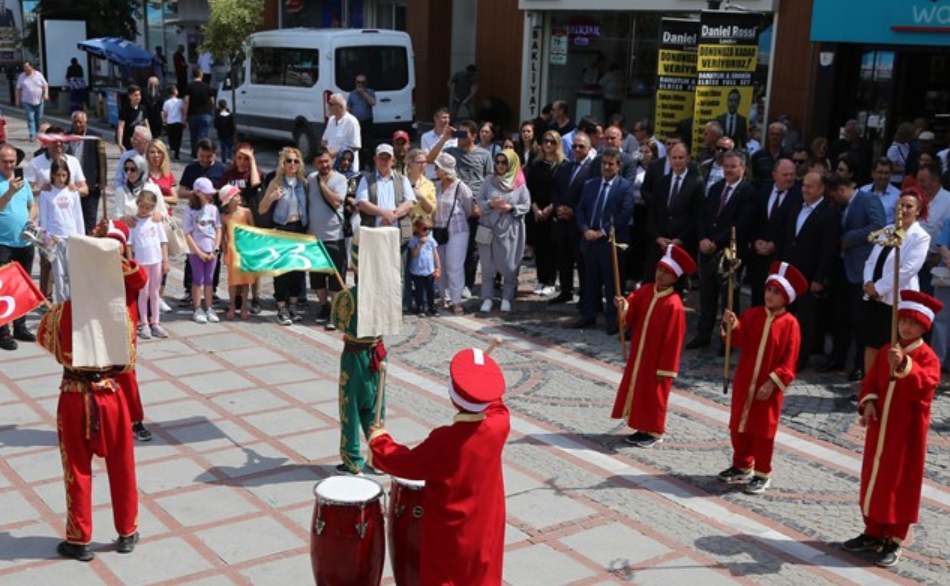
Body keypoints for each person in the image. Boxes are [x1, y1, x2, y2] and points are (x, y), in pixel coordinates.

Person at [37, 220, 147, 562]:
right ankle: (126, 531)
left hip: (73, 395)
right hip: (111, 394)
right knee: (122, 465)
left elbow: (45, 338)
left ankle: (80, 538)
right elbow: (127, 362)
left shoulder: (65, 312)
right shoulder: (120, 314)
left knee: (78, 469)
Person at [368, 347, 509, 586]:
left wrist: (379, 440)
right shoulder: (500, 423)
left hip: (452, 531)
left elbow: (406, 463)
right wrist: (480, 375)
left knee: (446, 576)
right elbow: (494, 402)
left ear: (454, 398)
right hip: (486, 522)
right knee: (482, 574)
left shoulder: (446, 441)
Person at [844, 290, 942, 568]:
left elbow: (923, 389)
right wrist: (869, 403)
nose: (907, 327)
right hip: (880, 429)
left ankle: (895, 538)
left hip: (906, 433)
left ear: (924, 327)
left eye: (914, 323)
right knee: (875, 477)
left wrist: (905, 366)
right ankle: (873, 531)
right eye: (903, 321)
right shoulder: (887, 350)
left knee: (900, 482)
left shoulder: (928, 358)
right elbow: (871, 382)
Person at [719, 261, 806, 495]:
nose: (770, 295)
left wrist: (773, 382)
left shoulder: (790, 325)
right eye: (769, 289)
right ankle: (741, 465)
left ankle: (762, 472)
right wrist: (733, 325)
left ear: (786, 297)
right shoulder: (752, 314)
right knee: (739, 425)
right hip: (745, 382)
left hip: (768, 388)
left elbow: (789, 363)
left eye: (776, 292)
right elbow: (736, 340)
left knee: (763, 431)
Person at [611, 244, 696, 448]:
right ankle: (642, 427)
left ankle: (655, 430)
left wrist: (666, 368)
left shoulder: (673, 304)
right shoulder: (647, 290)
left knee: (655, 395)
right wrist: (624, 306)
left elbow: (673, 340)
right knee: (641, 392)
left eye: (666, 272)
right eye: (660, 269)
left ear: (675, 278)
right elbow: (633, 305)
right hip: (642, 354)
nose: (661, 275)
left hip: (658, 360)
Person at [688, 150, 758, 350]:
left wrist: (715, 243)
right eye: (726, 166)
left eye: (733, 166)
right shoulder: (717, 188)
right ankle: (703, 334)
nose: (728, 170)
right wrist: (702, 239)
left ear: (743, 169)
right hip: (707, 251)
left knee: (729, 299)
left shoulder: (748, 192)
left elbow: (741, 224)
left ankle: (728, 339)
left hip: (730, 253)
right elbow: (702, 215)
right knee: (707, 295)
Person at [776, 171, 842, 370]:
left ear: (821, 189)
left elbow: (828, 249)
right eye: (803, 185)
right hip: (789, 273)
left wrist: (819, 278)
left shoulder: (830, 213)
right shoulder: (795, 206)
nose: (804, 189)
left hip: (810, 275)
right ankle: (781, 352)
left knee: (806, 320)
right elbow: (787, 238)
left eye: (809, 186)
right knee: (785, 315)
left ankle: (800, 358)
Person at [823, 175, 885, 380]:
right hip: (843, 268)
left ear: (841, 190)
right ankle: (838, 358)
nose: (832, 201)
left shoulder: (868, 200)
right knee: (840, 316)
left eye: (833, 196)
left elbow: (878, 227)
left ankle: (860, 364)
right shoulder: (841, 208)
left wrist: (849, 239)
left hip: (861, 269)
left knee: (860, 321)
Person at [862, 189, 930, 374]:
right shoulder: (887, 230)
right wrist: (868, 283)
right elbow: (871, 260)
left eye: (909, 206)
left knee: (889, 344)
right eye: (901, 205)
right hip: (873, 296)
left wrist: (878, 288)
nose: (904, 210)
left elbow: (907, 270)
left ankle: (886, 387)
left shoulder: (921, 236)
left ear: (918, 210)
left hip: (896, 299)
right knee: (871, 342)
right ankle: (869, 386)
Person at [571, 148, 635, 333]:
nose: (606, 167)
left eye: (610, 164)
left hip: (611, 242)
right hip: (590, 241)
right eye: (604, 163)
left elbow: (625, 213)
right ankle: (588, 314)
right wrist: (585, 230)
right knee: (589, 280)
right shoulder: (590, 184)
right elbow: (580, 210)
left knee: (612, 282)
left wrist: (603, 231)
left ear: (619, 166)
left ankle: (612, 319)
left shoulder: (624, 186)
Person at [330, 279, 387, 475]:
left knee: (351, 406)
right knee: (375, 407)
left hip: (355, 356)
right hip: (377, 355)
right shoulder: (387, 292)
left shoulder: (348, 296)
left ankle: (352, 460)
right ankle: (378, 457)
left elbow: (338, 322)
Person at [477, 149, 530, 314]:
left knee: (509, 264)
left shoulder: (519, 184)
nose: (500, 165)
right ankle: (487, 298)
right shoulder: (488, 180)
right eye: (498, 162)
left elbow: (526, 205)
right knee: (487, 265)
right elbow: (479, 200)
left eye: (504, 162)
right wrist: (491, 204)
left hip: (509, 231)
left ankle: (506, 297)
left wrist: (511, 207)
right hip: (488, 229)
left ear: (512, 164)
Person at [260, 148, 308, 325]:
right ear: (283, 163)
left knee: (297, 270)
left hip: (299, 228)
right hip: (282, 227)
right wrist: (272, 197)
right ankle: (281, 308)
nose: (292, 164)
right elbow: (262, 208)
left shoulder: (303, 182)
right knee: (281, 271)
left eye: (296, 161)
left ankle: (293, 306)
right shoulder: (276, 182)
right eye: (289, 161)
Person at [0, 144, 36, 351]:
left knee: (23, 286)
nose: (9, 165)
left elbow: (33, 205)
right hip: (3, 243)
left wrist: (31, 219)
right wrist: (10, 193)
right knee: (4, 288)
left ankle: (20, 326)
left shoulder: (23, 181)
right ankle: (3, 331)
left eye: (12, 161)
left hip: (24, 242)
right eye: (5, 161)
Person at [307, 147, 348, 328]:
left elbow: (336, 201)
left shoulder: (340, 179)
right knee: (317, 277)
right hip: (314, 237)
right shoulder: (309, 179)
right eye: (320, 162)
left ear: (331, 161)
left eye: (327, 161)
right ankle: (324, 306)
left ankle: (336, 311)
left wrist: (322, 184)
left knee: (336, 278)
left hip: (334, 235)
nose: (324, 165)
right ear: (315, 163)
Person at [36, 159, 84, 302]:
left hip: (71, 237)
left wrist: (81, 238)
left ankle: (74, 304)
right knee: (59, 275)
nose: (61, 179)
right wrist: (45, 242)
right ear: (52, 175)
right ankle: (62, 306)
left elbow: (78, 216)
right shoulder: (46, 193)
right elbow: (43, 219)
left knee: (73, 274)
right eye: (58, 175)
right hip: (55, 239)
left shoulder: (72, 192)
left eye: (64, 175)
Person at [526, 130, 566, 297]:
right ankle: (541, 280)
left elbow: (562, 190)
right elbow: (530, 188)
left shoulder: (562, 165)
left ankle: (550, 281)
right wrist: (535, 207)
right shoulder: (535, 164)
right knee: (540, 247)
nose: (548, 144)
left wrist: (550, 208)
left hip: (553, 211)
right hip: (537, 209)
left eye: (552, 141)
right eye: (545, 141)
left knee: (552, 247)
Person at [432, 153, 474, 315]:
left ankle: (456, 301)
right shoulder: (436, 186)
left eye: (437, 167)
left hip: (457, 231)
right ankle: (444, 298)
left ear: (444, 169)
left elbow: (468, 207)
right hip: (439, 231)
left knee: (454, 266)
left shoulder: (460, 186)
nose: (435, 170)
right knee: (440, 265)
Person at [129, 188, 169, 339]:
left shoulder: (155, 221)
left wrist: (165, 260)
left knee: (155, 292)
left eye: (148, 207)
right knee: (143, 293)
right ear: (137, 204)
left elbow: (163, 241)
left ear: (153, 207)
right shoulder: (134, 222)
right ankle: (144, 323)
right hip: (141, 263)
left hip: (156, 261)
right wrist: (131, 262)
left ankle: (156, 323)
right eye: (142, 207)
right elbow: (129, 243)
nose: (145, 210)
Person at [183, 177, 222, 324]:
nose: (209, 195)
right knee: (197, 279)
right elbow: (187, 233)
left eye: (210, 193)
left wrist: (215, 249)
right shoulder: (189, 211)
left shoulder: (213, 209)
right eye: (206, 193)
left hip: (211, 250)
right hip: (196, 251)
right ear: (198, 192)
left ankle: (209, 307)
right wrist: (198, 252)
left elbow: (218, 229)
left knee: (209, 280)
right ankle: (198, 307)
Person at [67, 111, 108, 234]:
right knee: (73, 218)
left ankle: (88, 242)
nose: (78, 125)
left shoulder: (94, 137)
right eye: (75, 122)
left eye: (80, 122)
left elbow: (102, 162)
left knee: (89, 219)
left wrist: (102, 182)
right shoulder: (66, 137)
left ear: (85, 122)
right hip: (71, 186)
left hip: (90, 186)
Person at [219, 185, 255, 320]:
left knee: (246, 282)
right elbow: (223, 236)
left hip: (245, 250)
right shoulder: (224, 216)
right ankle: (233, 306)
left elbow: (253, 230)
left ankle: (244, 307)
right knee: (233, 282)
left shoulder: (246, 212)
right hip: (232, 251)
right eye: (236, 195)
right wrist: (224, 252)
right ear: (229, 199)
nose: (239, 197)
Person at [408, 216, 441, 315]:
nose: (427, 232)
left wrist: (438, 267)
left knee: (430, 290)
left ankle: (431, 306)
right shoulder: (414, 240)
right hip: (418, 271)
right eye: (424, 229)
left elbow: (435, 254)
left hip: (429, 270)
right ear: (418, 229)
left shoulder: (431, 239)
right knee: (419, 290)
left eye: (429, 229)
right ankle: (420, 307)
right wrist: (419, 245)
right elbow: (413, 254)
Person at [323, 93, 362, 170]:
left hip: (347, 169)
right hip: (331, 167)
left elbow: (355, 146)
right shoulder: (331, 120)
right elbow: (324, 140)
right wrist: (325, 149)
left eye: (331, 104)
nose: (328, 107)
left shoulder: (352, 121)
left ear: (340, 107)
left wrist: (337, 152)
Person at [183, 67, 215, 159]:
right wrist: (209, 110)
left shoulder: (189, 86)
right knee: (203, 135)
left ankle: (195, 154)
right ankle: (203, 153)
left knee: (193, 135)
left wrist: (184, 116)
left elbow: (186, 101)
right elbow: (212, 101)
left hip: (192, 114)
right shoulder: (207, 86)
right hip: (205, 114)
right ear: (201, 74)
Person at [860, 158, 901, 226]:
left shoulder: (898, 195)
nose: (883, 176)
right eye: (880, 172)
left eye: (886, 173)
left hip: (886, 235)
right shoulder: (862, 192)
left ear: (891, 174)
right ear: (872, 173)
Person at [346, 73, 376, 166]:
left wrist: (363, 93)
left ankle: (371, 164)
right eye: (358, 82)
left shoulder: (370, 92)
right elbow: (348, 108)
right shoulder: (352, 94)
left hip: (367, 121)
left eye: (362, 82)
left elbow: (373, 102)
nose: (360, 84)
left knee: (369, 144)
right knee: (359, 144)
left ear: (365, 83)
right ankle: (361, 164)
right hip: (356, 123)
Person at [15, 61, 49, 142]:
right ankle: (32, 135)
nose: (25, 69)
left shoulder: (38, 75)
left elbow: (45, 85)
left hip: (39, 100)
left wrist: (46, 94)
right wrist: (17, 100)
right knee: (30, 118)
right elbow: (18, 89)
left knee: (39, 118)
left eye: (26, 67)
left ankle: (38, 133)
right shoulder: (21, 76)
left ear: (31, 67)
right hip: (27, 101)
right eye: (24, 67)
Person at [420, 107, 456, 179]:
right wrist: (443, 140)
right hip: (432, 177)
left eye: (448, 118)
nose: (447, 121)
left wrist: (436, 155)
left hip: (449, 177)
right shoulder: (425, 137)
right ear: (436, 119)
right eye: (444, 118)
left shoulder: (454, 136)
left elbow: (454, 158)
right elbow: (429, 159)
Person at [116, 85, 149, 151]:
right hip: (128, 140)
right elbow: (121, 127)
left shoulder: (142, 108)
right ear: (130, 96)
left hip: (140, 140)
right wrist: (120, 143)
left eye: (139, 95)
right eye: (135, 95)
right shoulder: (124, 109)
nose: (138, 97)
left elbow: (146, 124)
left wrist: (149, 137)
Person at [162, 84, 185, 160]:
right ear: (175, 92)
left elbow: (165, 113)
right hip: (178, 122)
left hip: (170, 122)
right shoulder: (180, 101)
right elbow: (182, 111)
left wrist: (164, 121)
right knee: (178, 138)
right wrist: (185, 120)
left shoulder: (166, 102)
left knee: (171, 138)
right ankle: (177, 153)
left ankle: (172, 151)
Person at [214, 99, 236, 164]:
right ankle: (229, 159)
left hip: (221, 135)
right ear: (226, 106)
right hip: (229, 134)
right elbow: (233, 125)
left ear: (219, 107)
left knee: (223, 148)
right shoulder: (230, 115)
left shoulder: (218, 116)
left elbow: (216, 125)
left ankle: (223, 160)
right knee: (230, 148)